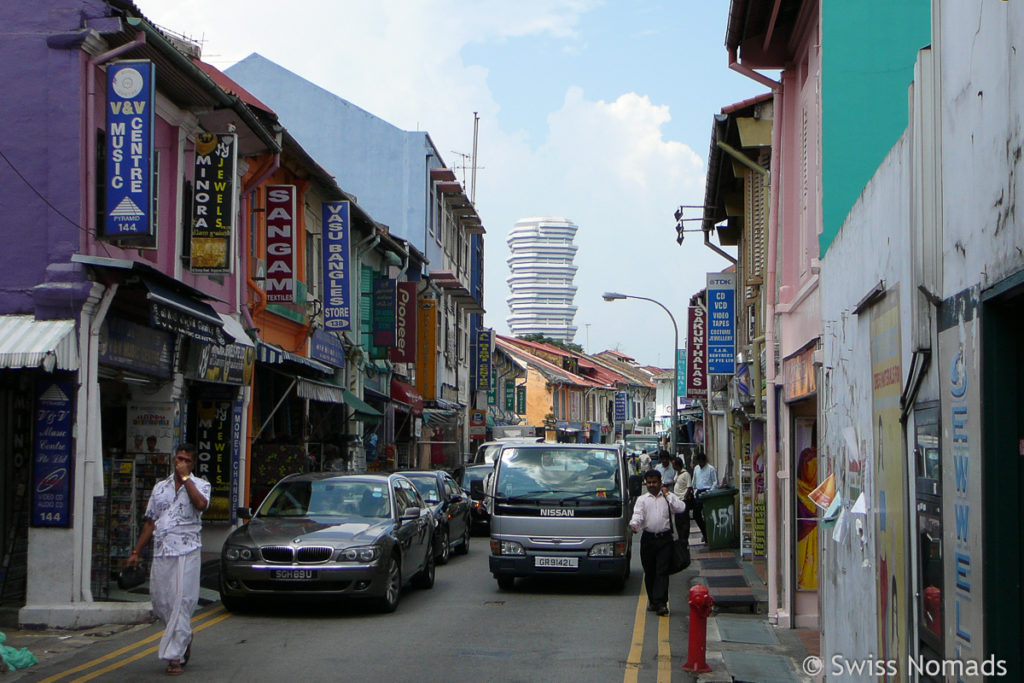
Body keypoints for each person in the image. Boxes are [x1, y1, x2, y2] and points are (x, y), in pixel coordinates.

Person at [127, 444, 210, 676]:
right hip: (162, 551)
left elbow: (201, 505)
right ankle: (184, 635)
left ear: (192, 464)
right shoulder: (160, 488)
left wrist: (186, 480)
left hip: (187, 551)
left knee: (181, 602)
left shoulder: (201, 485)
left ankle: (174, 657)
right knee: (162, 602)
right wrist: (136, 552)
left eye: (185, 460)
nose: (180, 462)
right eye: (178, 459)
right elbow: (150, 522)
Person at [629, 469, 687, 616]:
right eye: (649, 482)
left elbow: (681, 508)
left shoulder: (667, 498)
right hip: (648, 540)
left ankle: (661, 603)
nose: (652, 485)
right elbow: (638, 514)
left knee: (662, 571)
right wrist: (634, 524)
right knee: (650, 572)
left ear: (660, 482)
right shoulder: (642, 500)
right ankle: (653, 601)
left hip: (665, 540)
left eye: (654, 482)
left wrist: (668, 495)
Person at [691, 451, 718, 544]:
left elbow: (715, 481)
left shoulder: (711, 469)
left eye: (702, 462)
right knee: (696, 514)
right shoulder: (696, 469)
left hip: (708, 492)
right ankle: (704, 532)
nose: (701, 464)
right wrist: (694, 491)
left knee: (707, 515)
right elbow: (694, 481)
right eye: (699, 462)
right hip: (699, 492)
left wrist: (710, 490)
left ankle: (708, 535)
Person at [671, 456, 692, 537]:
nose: (672, 466)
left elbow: (689, 487)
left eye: (674, 464)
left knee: (684, 520)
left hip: (683, 499)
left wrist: (685, 497)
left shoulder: (686, 474)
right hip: (677, 500)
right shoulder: (677, 473)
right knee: (678, 520)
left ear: (677, 465)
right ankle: (680, 536)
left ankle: (684, 537)